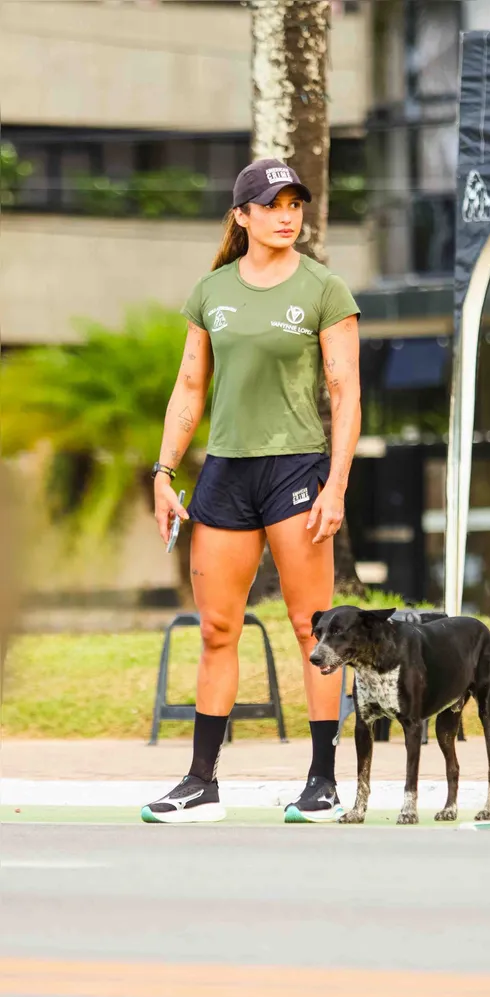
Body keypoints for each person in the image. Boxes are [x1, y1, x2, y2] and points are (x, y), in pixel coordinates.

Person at [142, 158, 361, 825]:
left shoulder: (325, 289)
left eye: (295, 202)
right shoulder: (212, 292)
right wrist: (163, 472)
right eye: (272, 204)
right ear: (242, 216)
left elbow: (345, 392)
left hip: (297, 470)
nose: (287, 214)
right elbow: (189, 387)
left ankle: (322, 781)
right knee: (216, 628)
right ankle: (201, 782)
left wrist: (337, 487)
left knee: (311, 628)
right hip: (226, 473)